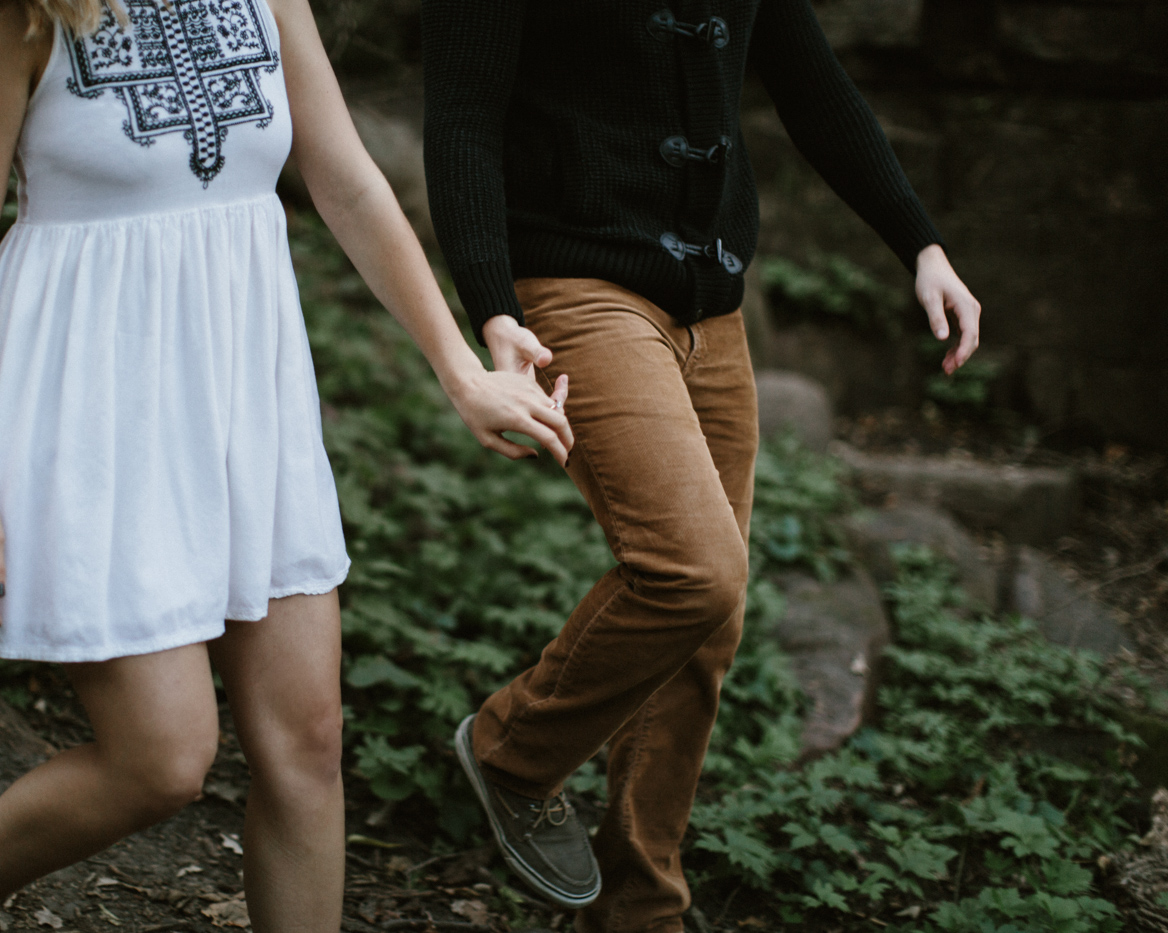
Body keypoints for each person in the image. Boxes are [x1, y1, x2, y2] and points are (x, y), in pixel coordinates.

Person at [0, 0, 573, 930]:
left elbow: (342, 174)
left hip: (243, 400)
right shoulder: (12, 15)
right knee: (163, 758)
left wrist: (461, 372)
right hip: (92, 409)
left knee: (307, 743)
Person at [421, 0, 982, 928]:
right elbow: (462, 122)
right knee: (691, 571)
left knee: (706, 625)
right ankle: (511, 749)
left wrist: (918, 242)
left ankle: (643, 907)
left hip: (709, 311)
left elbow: (812, 84)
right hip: (573, 285)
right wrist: (492, 311)